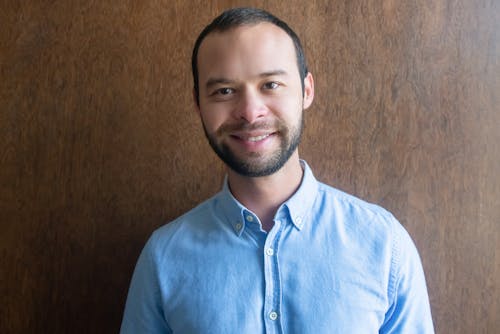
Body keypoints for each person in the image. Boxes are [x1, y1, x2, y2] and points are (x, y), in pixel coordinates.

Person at [120, 7, 434, 333]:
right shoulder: (163, 259)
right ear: (199, 104)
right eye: (224, 91)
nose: (250, 112)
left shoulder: (383, 245)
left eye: (270, 84)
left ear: (306, 90)